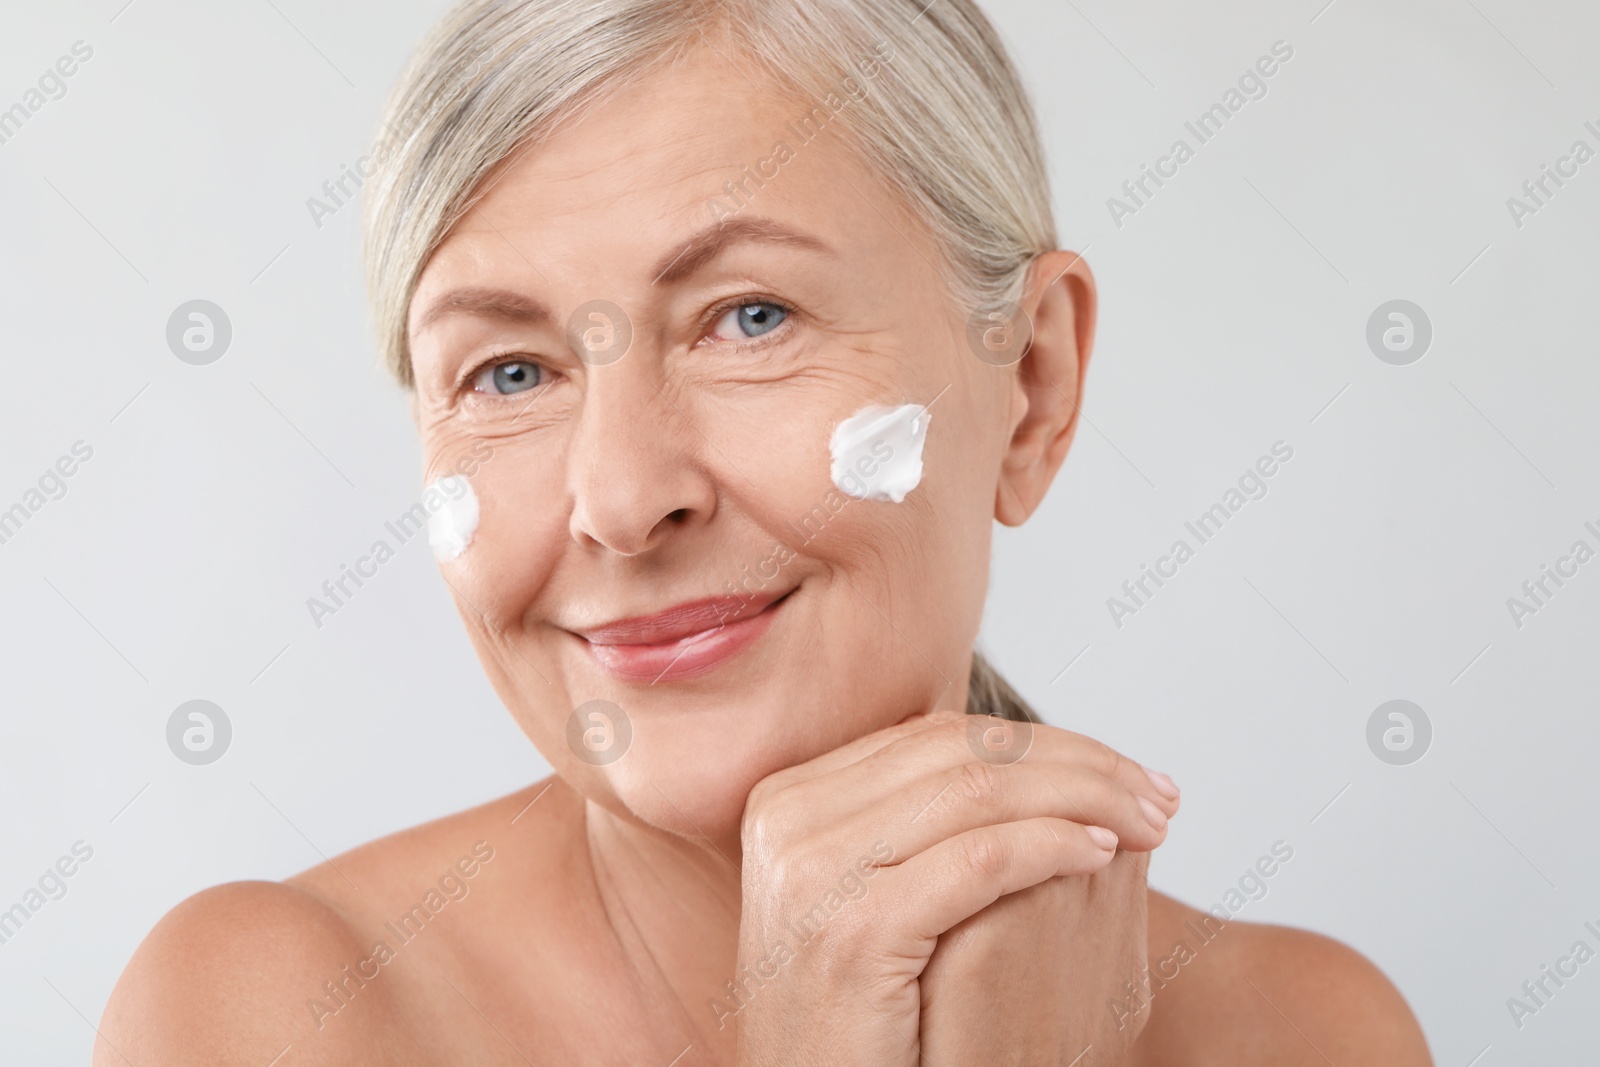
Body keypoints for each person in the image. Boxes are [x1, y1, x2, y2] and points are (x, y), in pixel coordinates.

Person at [98, 0, 1433, 1062]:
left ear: (1032, 387)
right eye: (510, 372)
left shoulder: (1301, 1036)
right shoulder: (270, 1018)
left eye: (749, 318)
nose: (622, 500)